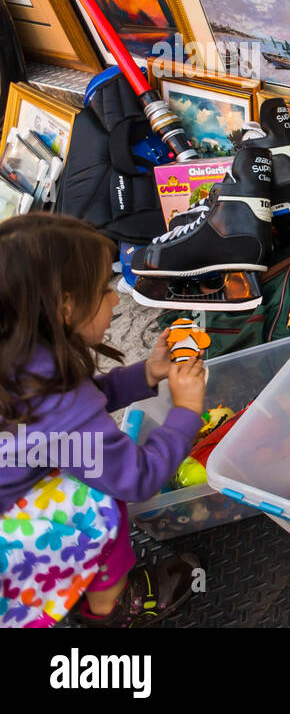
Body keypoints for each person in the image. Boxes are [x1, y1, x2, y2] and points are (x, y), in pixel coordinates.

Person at [0, 214, 206, 628]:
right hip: (12, 549)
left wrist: (145, 373)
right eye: (105, 289)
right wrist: (186, 412)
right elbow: (138, 476)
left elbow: (85, 401)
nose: (116, 298)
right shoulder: (58, 406)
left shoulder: (20, 357)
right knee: (100, 498)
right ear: (64, 306)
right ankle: (111, 606)